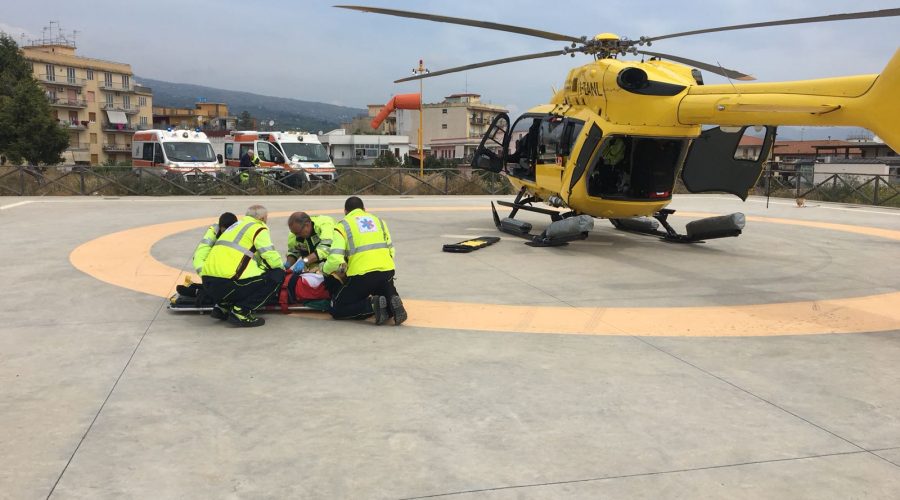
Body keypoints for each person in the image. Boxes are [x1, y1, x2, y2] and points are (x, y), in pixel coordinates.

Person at [324, 196, 406, 325]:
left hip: (361, 276)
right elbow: (391, 250)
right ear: (364, 209)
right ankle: (391, 302)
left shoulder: (343, 225)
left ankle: (371, 305)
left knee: (336, 308)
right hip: (386, 272)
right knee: (383, 290)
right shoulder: (379, 222)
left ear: (345, 211)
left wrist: (325, 270)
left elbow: (335, 258)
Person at [200, 204, 285, 327]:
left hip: (208, 284)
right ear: (262, 218)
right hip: (229, 285)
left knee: (246, 274)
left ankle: (223, 306)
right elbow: (269, 255)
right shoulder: (258, 228)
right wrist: (282, 268)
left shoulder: (234, 226)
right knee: (277, 275)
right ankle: (242, 311)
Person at [176, 211, 238, 298]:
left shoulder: (241, 231)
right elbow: (199, 257)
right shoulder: (213, 233)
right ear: (220, 227)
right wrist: (207, 278)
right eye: (224, 231)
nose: (225, 235)